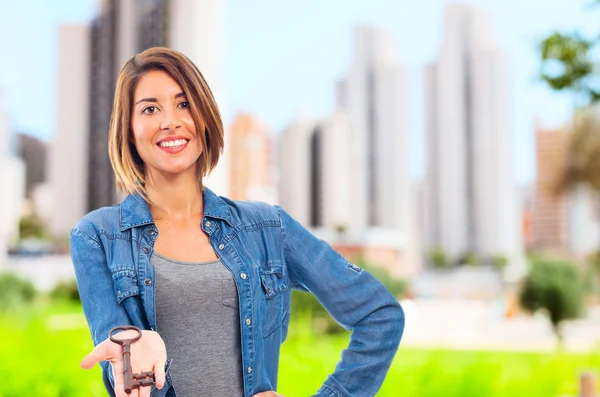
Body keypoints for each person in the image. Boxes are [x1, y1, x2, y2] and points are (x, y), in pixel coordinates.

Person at [70, 46, 404, 397]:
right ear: (129, 128)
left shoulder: (267, 228)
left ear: (204, 116)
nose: (170, 121)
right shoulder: (96, 236)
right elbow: (115, 350)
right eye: (150, 109)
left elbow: (380, 316)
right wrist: (134, 347)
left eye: (184, 104)